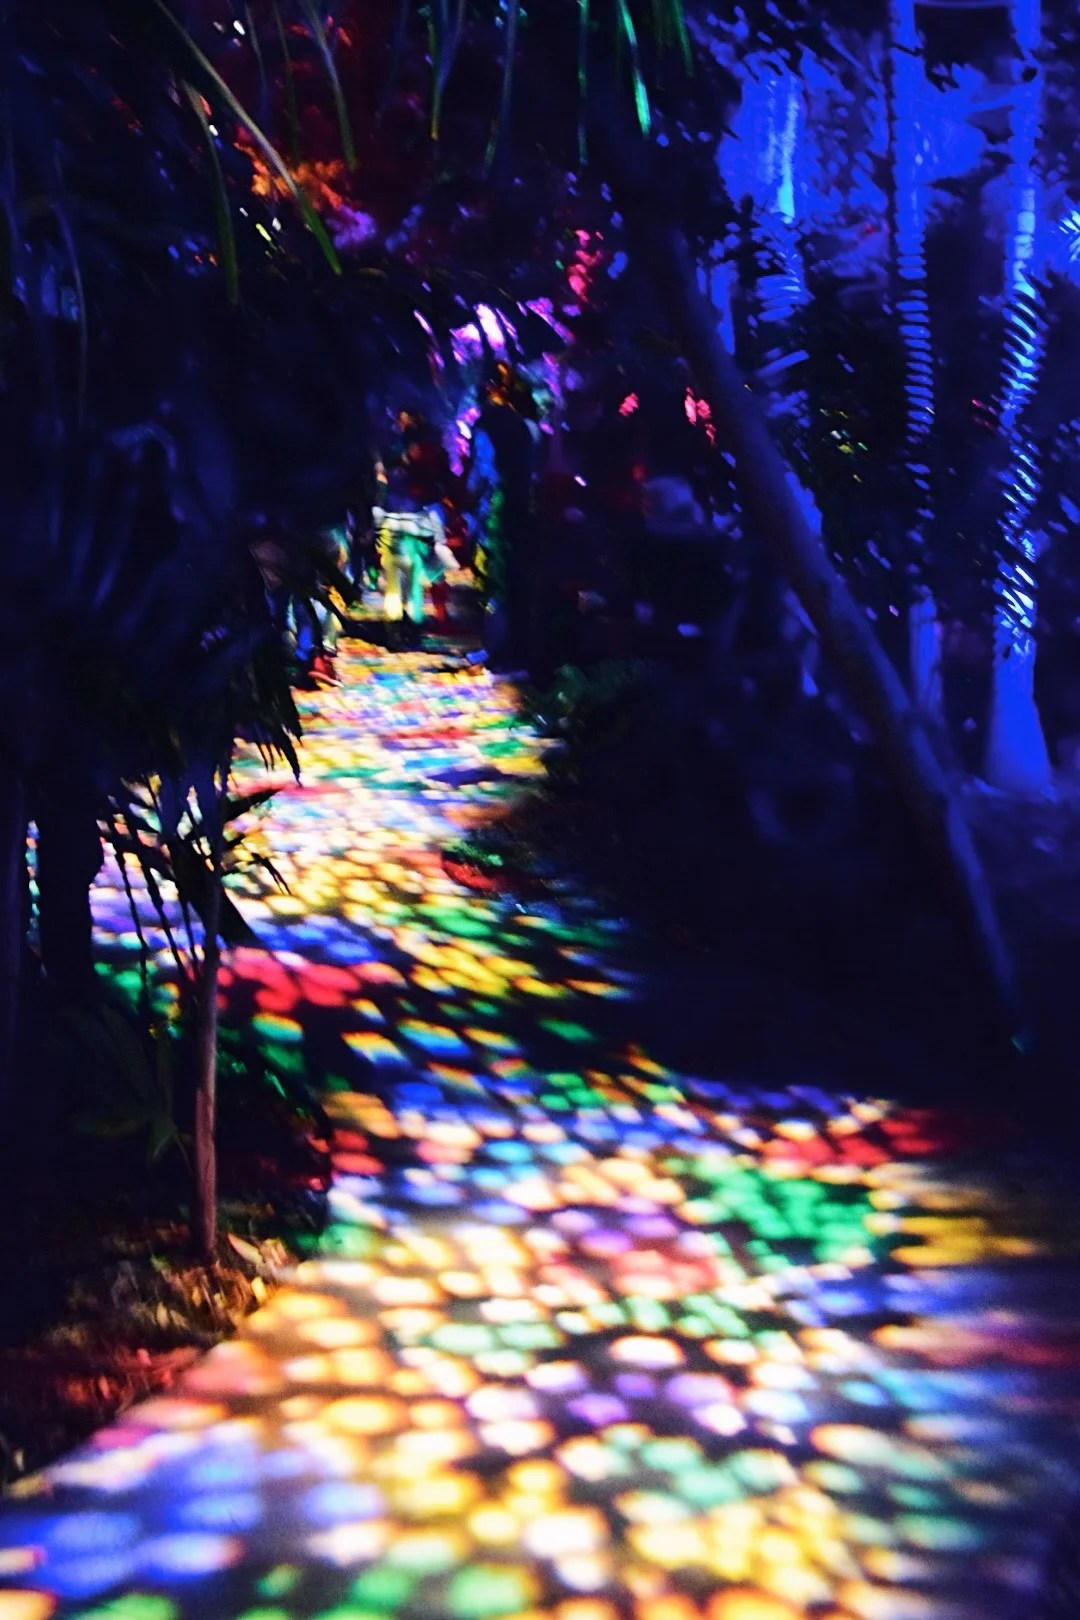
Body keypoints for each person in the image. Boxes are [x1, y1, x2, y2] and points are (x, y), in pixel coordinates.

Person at [466, 365, 541, 675]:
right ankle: (514, 648)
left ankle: (498, 649)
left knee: (494, 579)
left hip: (496, 509)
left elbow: (482, 472)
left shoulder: (487, 423)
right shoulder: (521, 424)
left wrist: (470, 500)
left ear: (489, 387)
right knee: (516, 580)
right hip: (520, 507)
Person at [373, 466, 456, 648]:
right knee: (413, 592)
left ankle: (395, 631)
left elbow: (377, 526)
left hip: (392, 553)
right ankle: (412, 630)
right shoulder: (415, 503)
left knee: (393, 591)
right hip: (412, 553)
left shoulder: (384, 502)